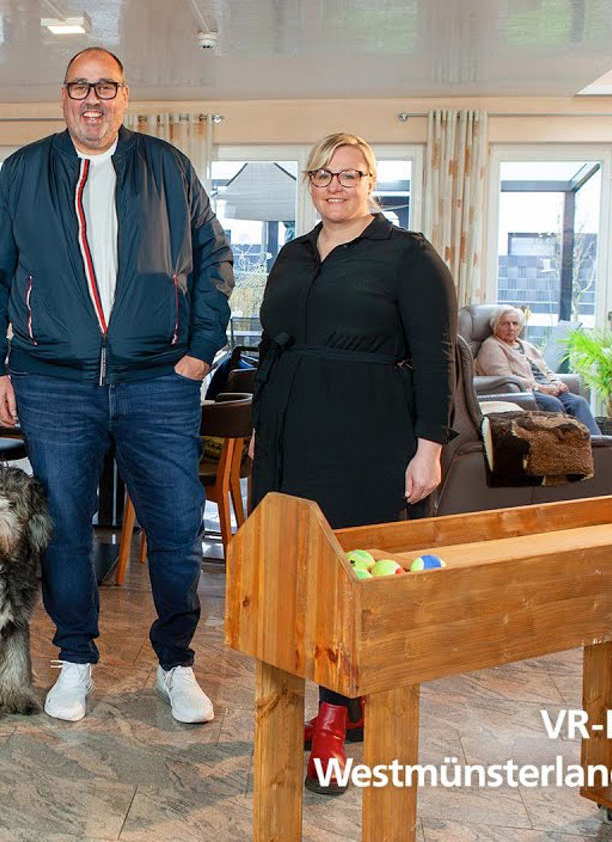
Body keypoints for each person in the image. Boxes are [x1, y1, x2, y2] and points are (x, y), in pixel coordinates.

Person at [0, 47, 234, 725]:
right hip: (53, 381)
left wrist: (200, 349)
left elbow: (214, 257)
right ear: (64, 97)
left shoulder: (167, 166)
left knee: (176, 526)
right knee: (63, 529)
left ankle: (175, 663)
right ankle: (76, 659)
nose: (93, 99)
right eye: (80, 87)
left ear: (125, 96)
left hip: (158, 380)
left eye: (105, 87)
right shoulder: (25, 170)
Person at [250, 132, 455, 795]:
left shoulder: (408, 256)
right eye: (322, 174)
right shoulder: (293, 252)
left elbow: (436, 356)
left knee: (348, 579)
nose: (334, 186)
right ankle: (336, 702)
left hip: (366, 435)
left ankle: (335, 718)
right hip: (288, 434)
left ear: (372, 182)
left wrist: (430, 445)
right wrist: (259, 426)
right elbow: (270, 346)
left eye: (349, 175)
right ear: (309, 183)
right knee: (292, 575)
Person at [475, 306, 601, 435]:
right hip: (524, 391)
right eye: (505, 324)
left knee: (578, 402)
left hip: (546, 388)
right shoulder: (491, 346)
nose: (511, 328)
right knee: (552, 403)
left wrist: (556, 382)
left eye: (515, 323)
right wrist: (539, 387)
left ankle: (596, 442)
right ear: (495, 326)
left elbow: (546, 370)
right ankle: (564, 443)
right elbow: (504, 377)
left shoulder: (527, 346)